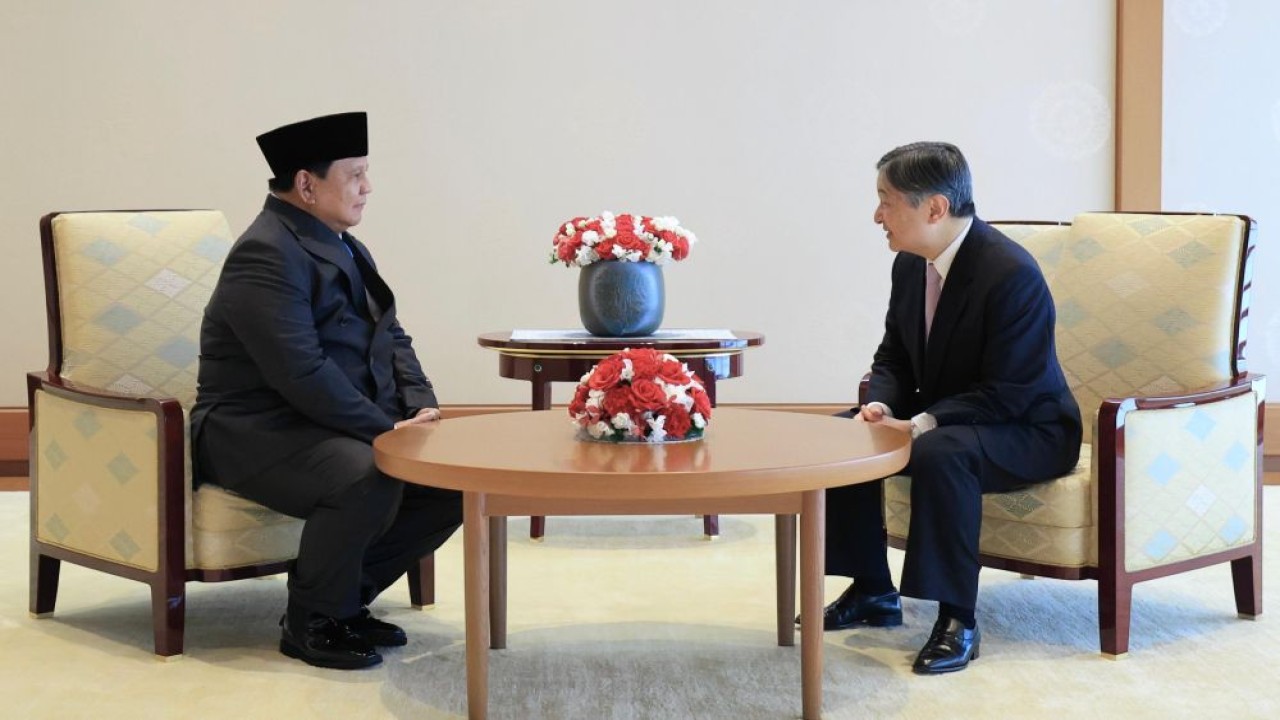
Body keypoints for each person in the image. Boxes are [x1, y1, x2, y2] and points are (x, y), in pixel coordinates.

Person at [190, 112, 461, 670]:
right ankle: (311, 621)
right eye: (355, 174)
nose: (368, 187)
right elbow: (301, 373)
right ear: (307, 184)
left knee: (447, 480)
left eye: (368, 173)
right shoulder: (264, 253)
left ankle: (339, 600)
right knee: (367, 473)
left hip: (319, 421)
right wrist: (386, 433)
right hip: (252, 429)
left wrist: (420, 406)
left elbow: (392, 335)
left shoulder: (345, 245)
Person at [822, 142, 1081, 674]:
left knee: (942, 451)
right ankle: (872, 589)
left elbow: (1010, 391)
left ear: (934, 208)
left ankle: (958, 619)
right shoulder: (911, 266)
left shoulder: (1010, 273)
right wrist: (878, 406)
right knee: (843, 435)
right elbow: (892, 354)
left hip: (1027, 428)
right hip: (948, 417)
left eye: (886, 201)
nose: (877, 216)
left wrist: (918, 423)